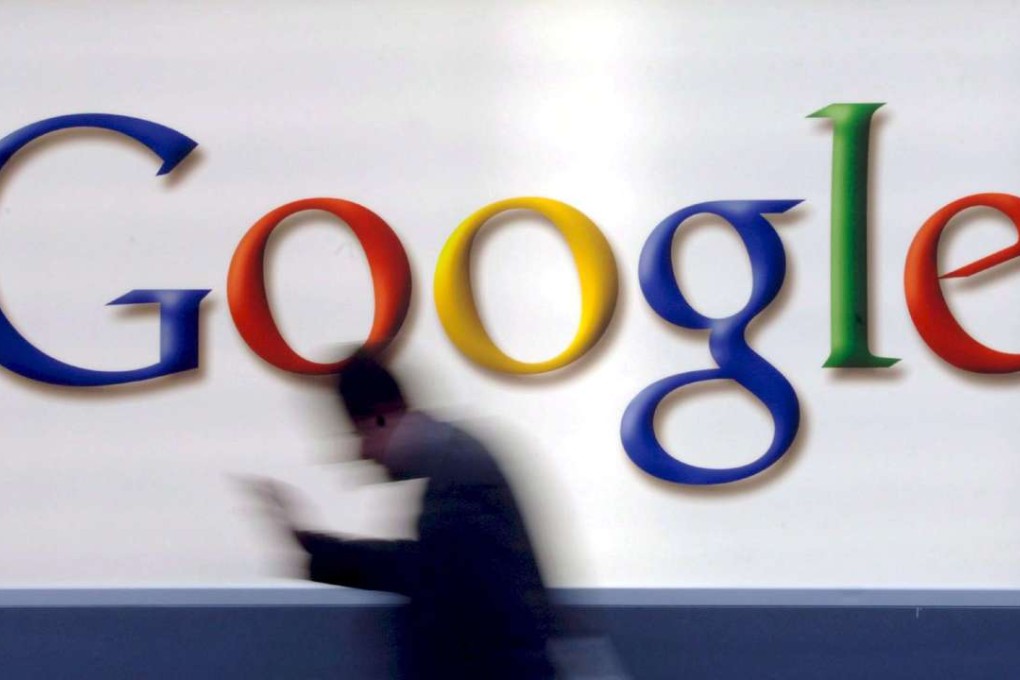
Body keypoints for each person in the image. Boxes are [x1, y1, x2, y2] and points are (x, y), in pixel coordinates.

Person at [250, 352, 557, 679]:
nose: (362, 453)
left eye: (359, 435)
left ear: (383, 416)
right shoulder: (460, 466)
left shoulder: (459, 477)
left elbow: (426, 573)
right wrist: (319, 548)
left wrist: (322, 551)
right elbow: (429, 567)